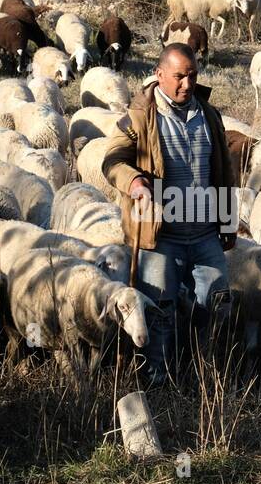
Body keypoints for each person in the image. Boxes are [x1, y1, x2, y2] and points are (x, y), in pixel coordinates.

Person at [101, 43, 237, 386]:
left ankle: (204, 377)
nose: (187, 84)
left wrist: (228, 222)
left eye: (192, 75)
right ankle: (158, 382)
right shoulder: (139, 116)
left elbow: (222, 172)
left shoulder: (209, 115)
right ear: (159, 74)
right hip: (161, 238)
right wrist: (135, 183)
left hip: (206, 235)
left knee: (216, 306)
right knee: (159, 312)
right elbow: (113, 160)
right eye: (179, 76)